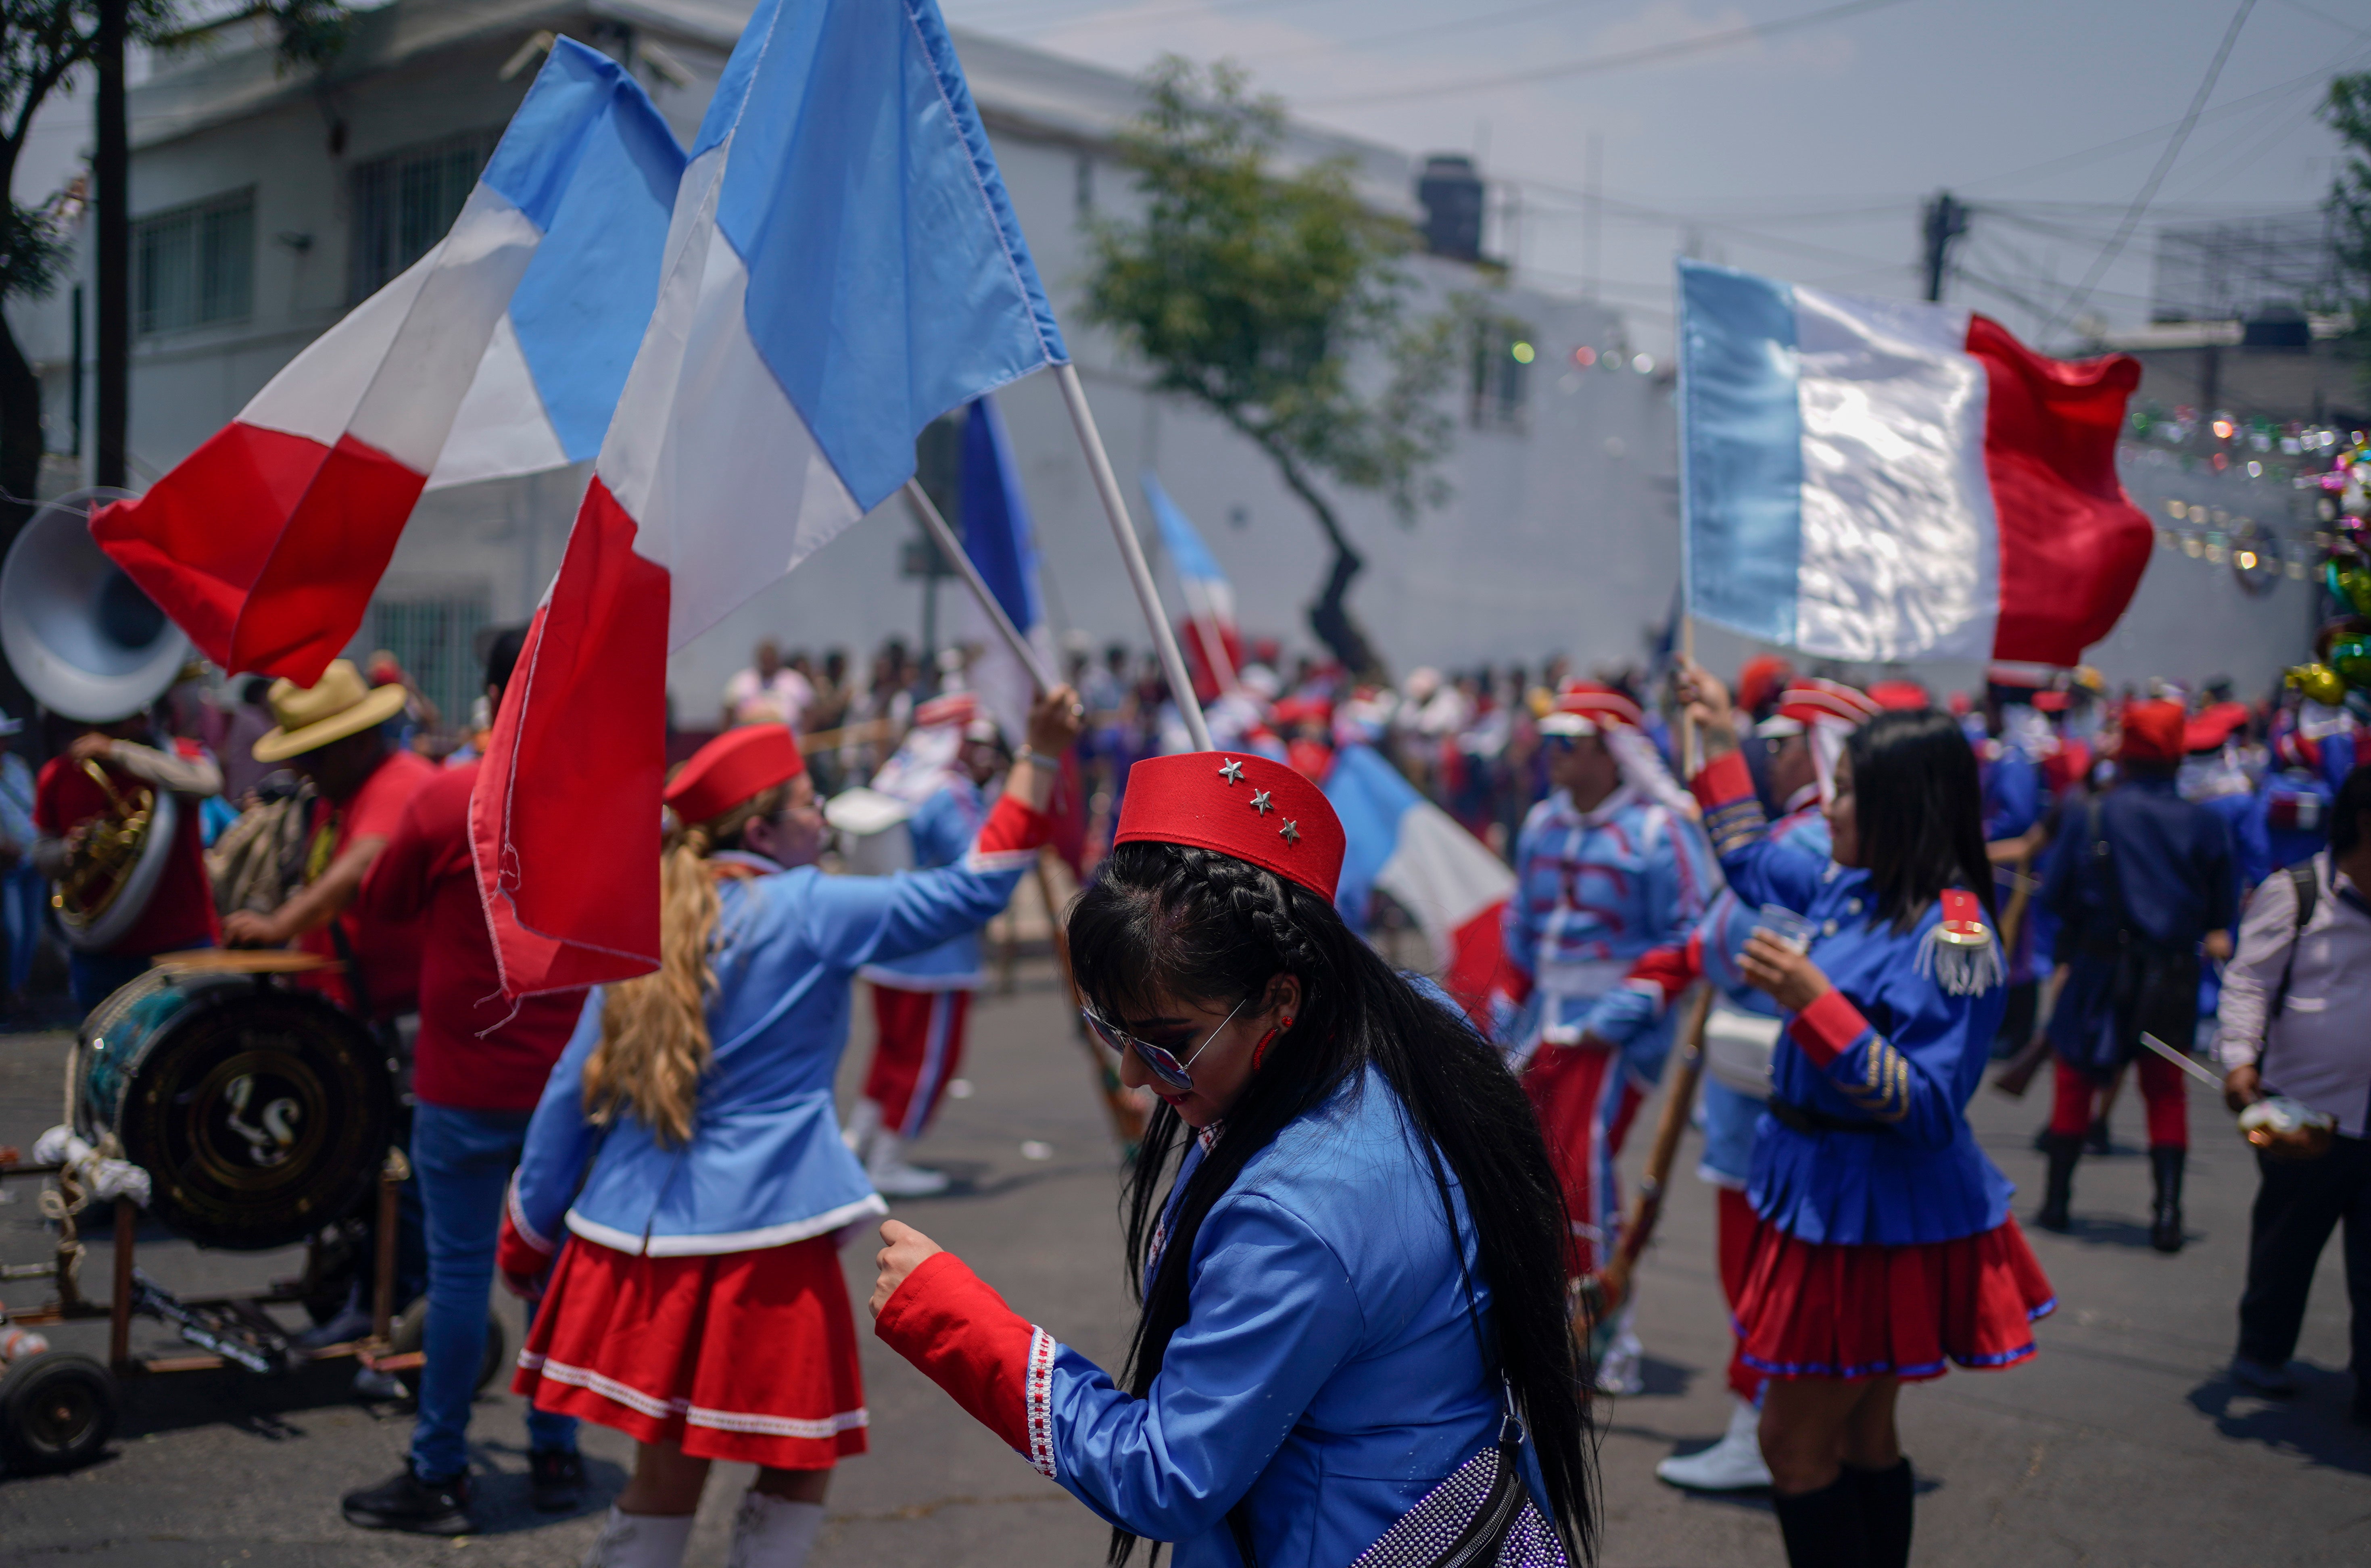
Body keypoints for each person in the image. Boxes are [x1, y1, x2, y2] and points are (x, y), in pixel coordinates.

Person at [866, 747, 1596, 1566]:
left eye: (1167, 1042)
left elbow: (1165, 1474)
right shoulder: (1407, 1012)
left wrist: (954, 1318)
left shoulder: (1297, 1216)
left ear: (1281, 996)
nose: (1133, 1073)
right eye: (1112, 1030)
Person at [497, 686, 1084, 1568]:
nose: (824, 818)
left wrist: (528, 1230)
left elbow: (570, 1089)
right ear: (764, 832)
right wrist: (1038, 757)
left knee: (663, 1477)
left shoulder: (640, 914)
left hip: (637, 1235)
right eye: (810, 804)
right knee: (793, 1464)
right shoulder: (809, 904)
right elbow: (974, 889)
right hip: (766, 1238)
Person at [1675, 659, 2054, 1568]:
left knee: (1791, 1448)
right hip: (1829, 1192)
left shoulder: (1955, 932)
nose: (1826, 810)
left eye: (1843, 791)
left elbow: (1925, 1107)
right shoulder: (1851, 883)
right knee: (1860, 1438)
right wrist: (1720, 736)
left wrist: (1813, 1000)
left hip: (1875, 1209)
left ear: (1902, 807)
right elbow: (1747, 856)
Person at [338, 631, 589, 1535]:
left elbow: (385, 905)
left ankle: (440, 1470)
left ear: (491, 695)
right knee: (552, 1275)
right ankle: (556, 1450)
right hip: (564, 1089)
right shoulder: (596, 802)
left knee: (455, 1282)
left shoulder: (448, 798)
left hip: (461, 1083)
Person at [1649, 677, 1878, 1493]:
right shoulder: (1811, 831)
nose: (1768, 755)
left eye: (1778, 742)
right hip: (1769, 1086)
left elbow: (1730, 939)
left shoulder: (1820, 840)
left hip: (1784, 1091)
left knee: (1760, 1272)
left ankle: (1763, 1423)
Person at [1495, 681, 1716, 1393]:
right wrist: (1506, 1009)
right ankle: (1534, 1327)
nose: (1552, 754)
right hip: (1542, 1023)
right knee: (1519, 1168)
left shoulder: (1658, 831)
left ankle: (1604, 1332)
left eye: (1569, 742)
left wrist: (1614, 1018)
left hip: (1616, 1030)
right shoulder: (1539, 824)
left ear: (1611, 750)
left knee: (1585, 1173)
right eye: (1550, 740)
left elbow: (1685, 937)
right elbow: (1523, 932)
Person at [2033, 699, 2237, 1253]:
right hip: (2169, 976)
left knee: (2074, 1080)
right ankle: (2166, 1213)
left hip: (2098, 968)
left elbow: (2053, 895)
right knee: (2164, 1091)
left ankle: (2056, 1201)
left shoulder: (2088, 811)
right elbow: (2220, 914)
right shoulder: (2206, 823)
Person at [2216, 764, 2371, 1418]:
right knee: (2285, 1242)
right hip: (2303, 1107)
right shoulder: (2296, 892)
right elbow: (2248, 980)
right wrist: (2237, 1059)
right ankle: (2261, 1351)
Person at [844, 706, 1010, 1197]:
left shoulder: (895, 777)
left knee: (890, 1050)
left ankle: (859, 1143)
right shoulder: (948, 791)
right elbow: (981, 865)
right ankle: (887, 1160)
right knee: (925, 1061)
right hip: (937, 953)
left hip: (888, 942)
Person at [223, 660, 439, 1020]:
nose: (299, 769)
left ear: (360, 743)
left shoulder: (402, 780)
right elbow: (323, 897)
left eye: (313, 756)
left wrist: (278, 925)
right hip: (341, 1013)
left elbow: (361, 865)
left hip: (388, 1019)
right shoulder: (334, 798)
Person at [32, 700, 223, 1011]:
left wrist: (117, 751)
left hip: (180, 940)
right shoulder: (57, 773)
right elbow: (42, 856)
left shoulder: (176, 754)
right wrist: (72, 849)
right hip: (98, 949)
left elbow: (208, 783)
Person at [722, 638, 816, 733]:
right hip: (749, 740)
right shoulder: (741, 682)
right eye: (765, 659)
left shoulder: (795, 681)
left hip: (787, 740)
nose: (768, 663)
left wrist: (804, 740)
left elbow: (810, 712)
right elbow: (727, 716)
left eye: (771, 659)